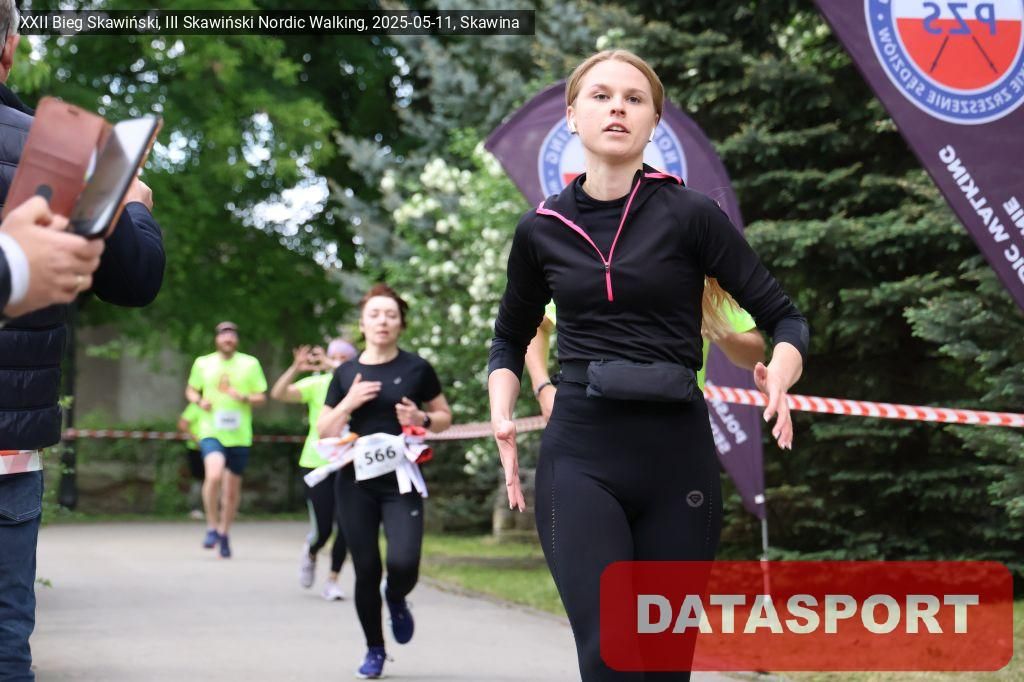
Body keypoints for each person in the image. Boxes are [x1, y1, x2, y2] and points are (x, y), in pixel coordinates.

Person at [488, 50, 808, 681]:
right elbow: (509, 338)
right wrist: (504, 412)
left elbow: (785, 318)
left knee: (665, 662)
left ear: (653, 122)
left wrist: (781, 370)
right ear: (572, 116)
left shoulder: (691, 215)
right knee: (610, 653)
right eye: (601, 96)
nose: (618, 108)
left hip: (678, 463)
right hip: (580, 457)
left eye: (634, 99)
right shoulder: (541, 229)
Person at [0, 3, 165, 678]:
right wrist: (134, 204)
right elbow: (134, 279)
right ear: (9, 49)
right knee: (5, 645)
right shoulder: (58, 154)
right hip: (7, 459)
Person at [317, 284, 452, 679]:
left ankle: (395, 596)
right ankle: (374, 649)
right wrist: (349, 402)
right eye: (374, 314)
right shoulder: (345, 373)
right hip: (354, 483)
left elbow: (444, 417)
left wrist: (421, 419)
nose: (382, 321)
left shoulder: (417, 368)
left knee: (404, 563)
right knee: (366, 568)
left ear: (401, 324)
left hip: (401, 482)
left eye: (391, 315)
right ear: (362, 323)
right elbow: (324, 430)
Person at [526, 290, 765, 420]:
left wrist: (719, 330)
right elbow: (536, 323)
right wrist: (542, 388)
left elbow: (756, 354)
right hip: (594, 426)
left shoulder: (697, 270)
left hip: (676, 426)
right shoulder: (596, 265)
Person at [270, 338, 356, 600]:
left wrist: (335, 366)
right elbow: (279, 394)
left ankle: (333, 580)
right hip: (316, 463)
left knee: (347, 526)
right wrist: (295, 368)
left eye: (343, 358)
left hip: (350, 462)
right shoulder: (318, 384)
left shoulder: (358, 385)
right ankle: (311, 550)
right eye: (333, 356)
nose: (336, 362)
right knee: (323, 529)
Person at [185, 321, 268, 559]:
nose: (228, 339)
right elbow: (191, 390)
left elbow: (262, 397)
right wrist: (199, 401)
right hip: (211, 430)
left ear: (237, 340)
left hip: (240, 435)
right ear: (217, 339)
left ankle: (224, 532)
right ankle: (211, 526)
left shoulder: (250, 363)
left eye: (232, 335)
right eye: (223, 335)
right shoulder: (203, 363)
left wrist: (244, 397)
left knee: (231, 492)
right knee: (213, 475)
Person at [177, 401, 206, 519]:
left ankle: (220, 508)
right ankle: (195, 508)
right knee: (198, 479)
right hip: (196, 449)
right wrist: (195, 439)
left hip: (216, 448)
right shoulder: (195, 406)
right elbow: (182, 424)